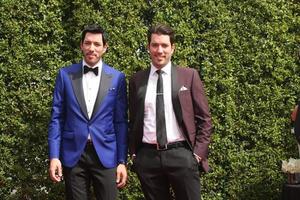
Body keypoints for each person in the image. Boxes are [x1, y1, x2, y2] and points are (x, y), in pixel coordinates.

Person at [129, 23, 213, 200]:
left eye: (165, 45)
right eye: (155, 45)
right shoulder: (137, 80)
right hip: (148, 158)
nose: (160, 50)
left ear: (172, 48)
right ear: (148, 47)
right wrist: (135, 154)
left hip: (181, 155)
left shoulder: (189, 76)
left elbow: (204, 119)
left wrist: (197, 155)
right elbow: (133, 119)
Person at [48, 24, 128, 200]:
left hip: (106, 154)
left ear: (105, 47)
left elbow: (121, 122)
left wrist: (122, 161)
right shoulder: (64, 75)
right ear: (81, 45)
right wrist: (54, 156)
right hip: (73, 154)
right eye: (88, 43)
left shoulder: (117, 78)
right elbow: (57, 118)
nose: (92, 48)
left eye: (97, 44)